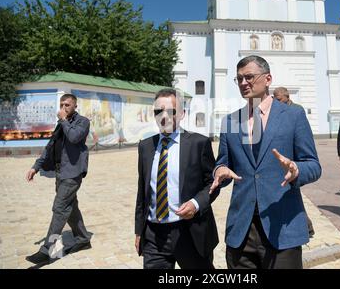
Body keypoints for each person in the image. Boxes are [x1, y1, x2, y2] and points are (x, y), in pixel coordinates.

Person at [210, 55, 322, 269]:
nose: (244, 83)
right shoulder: (231, 121)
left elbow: (314, 165)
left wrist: (297, 169)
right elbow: (223, 163)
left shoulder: (293, 115)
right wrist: (220, 170)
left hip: (283, 225)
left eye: (249, 77)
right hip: (242, 230)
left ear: (268, 79)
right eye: (239, 79)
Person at [135, 89, 219, 269]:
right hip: (153, 236)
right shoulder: (145, 146)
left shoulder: (199, 144)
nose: (164, 116)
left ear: (181, 114)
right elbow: (142, 191)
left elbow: (213, 183)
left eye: (170, 111)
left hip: (189, 232)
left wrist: (196, 204)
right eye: (158, 111)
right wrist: (138, 230)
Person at [25, 94, 92, 265]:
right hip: (60, 173)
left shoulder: (82, 122)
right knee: (71, 208)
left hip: (73, 174)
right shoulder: (61, 124)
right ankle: (83, 238)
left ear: (74, 106)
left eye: (67, 105)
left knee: (60, 207)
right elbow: (50, 147)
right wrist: (35, 166)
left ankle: (47, 249)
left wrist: (63, 121)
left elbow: (75, 137)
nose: (63, 108)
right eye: (61, 104)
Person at [273, 87, 315, 238]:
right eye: (274, 98)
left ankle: (306, 226)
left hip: (296, 160)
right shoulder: (277, 110)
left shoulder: (297, 110)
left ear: (287, 97)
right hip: (283, 158)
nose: (275, 102)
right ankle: (307, 226)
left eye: (278, 99)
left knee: (293, 193)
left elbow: (301, 134)